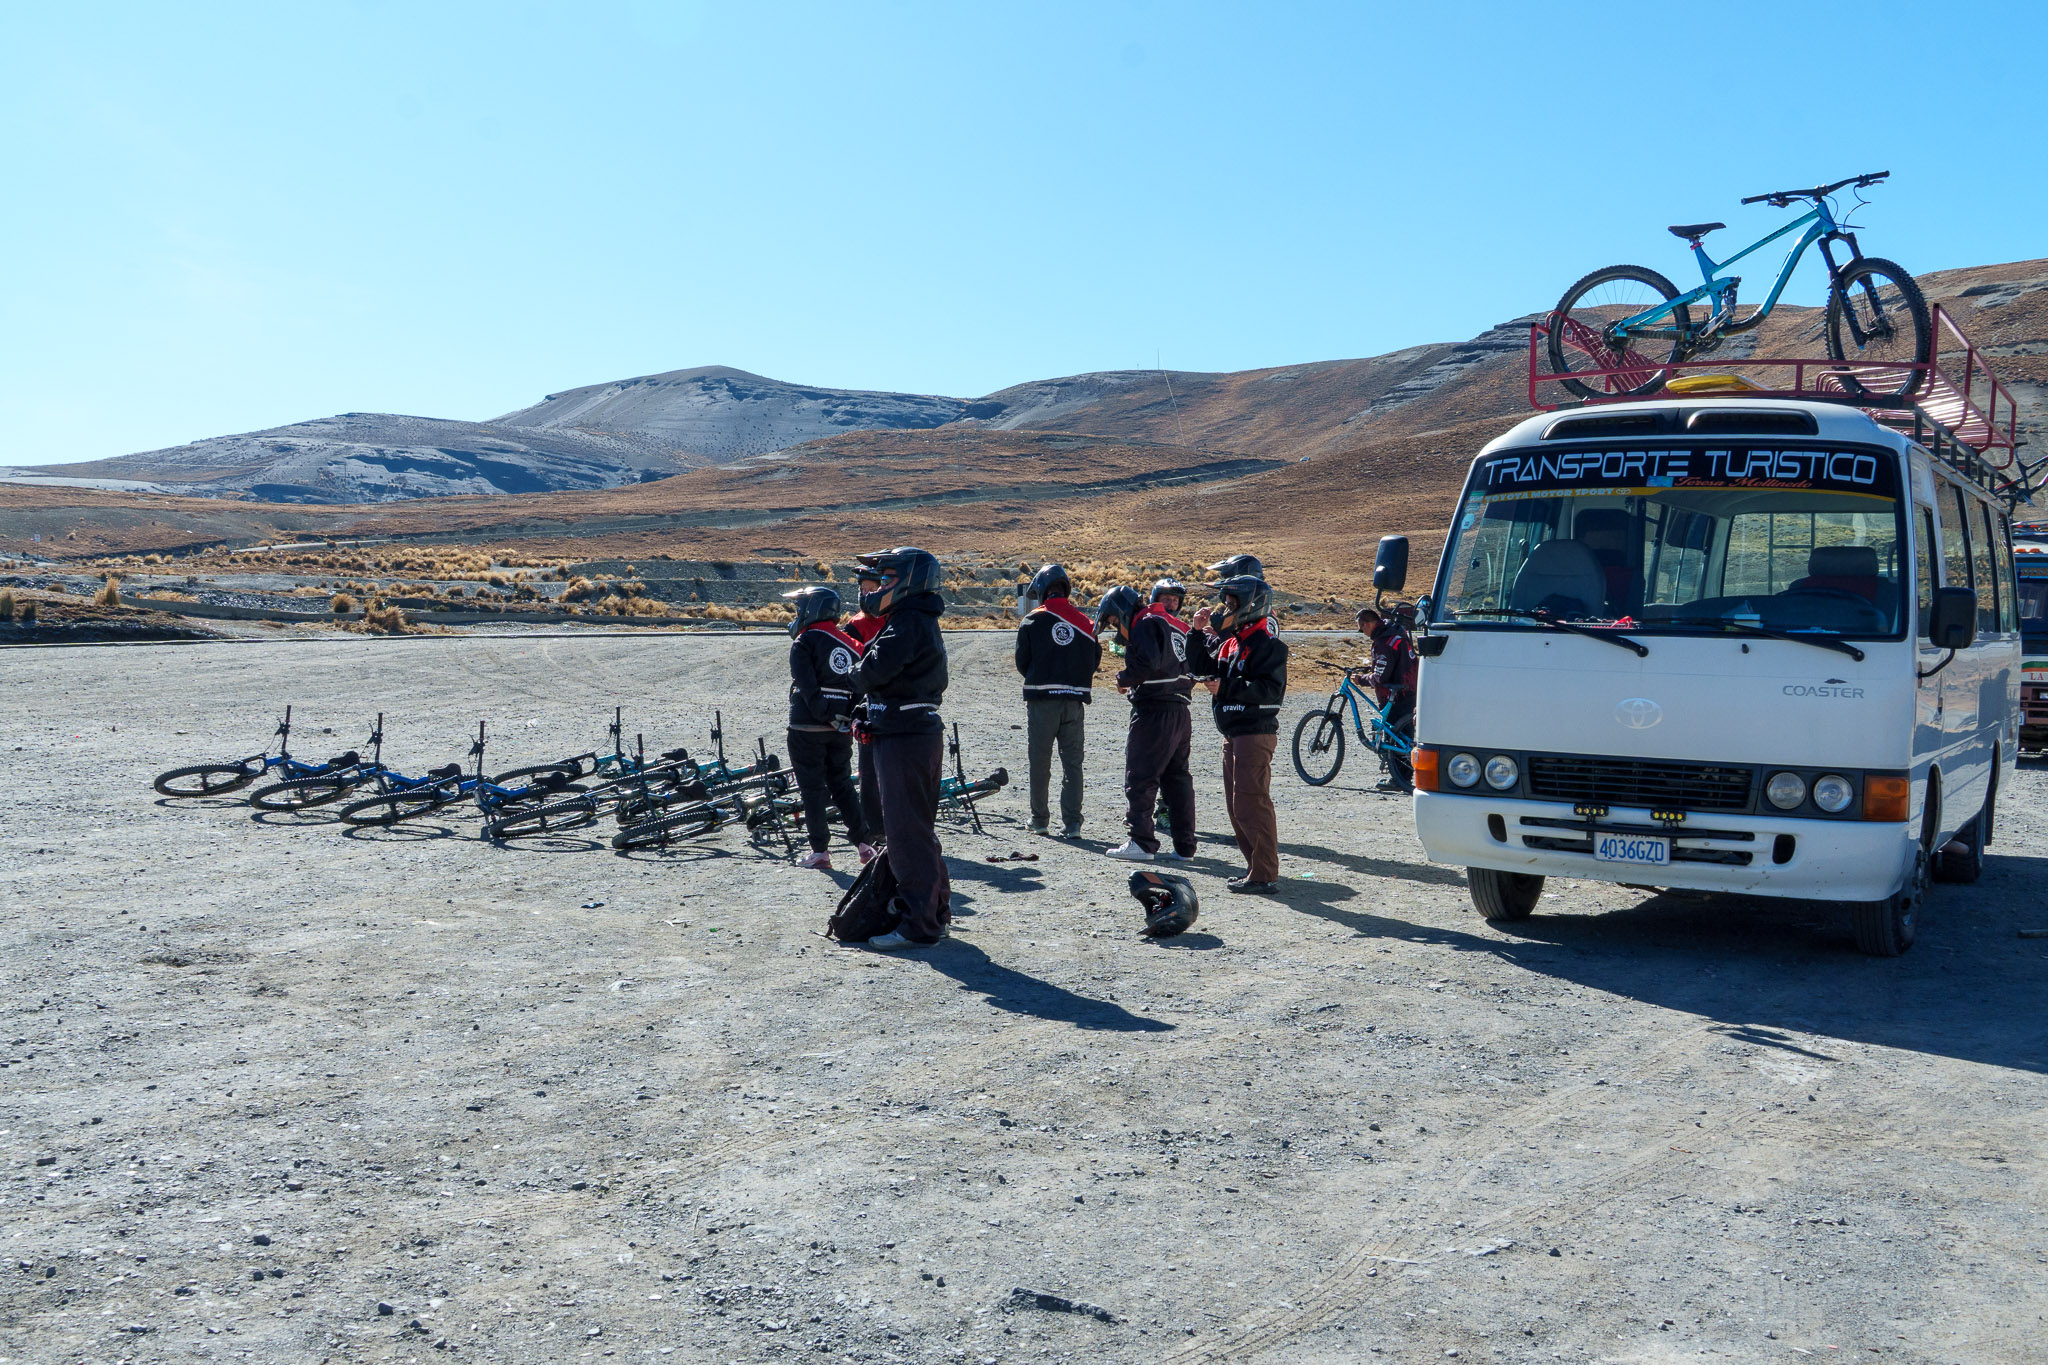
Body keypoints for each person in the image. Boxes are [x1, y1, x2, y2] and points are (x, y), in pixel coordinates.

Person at [849, 546, 951, 950]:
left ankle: (918, 925)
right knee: (917, 832)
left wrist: (860, 676)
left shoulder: (907, 621)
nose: (879, 588)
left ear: (908, 582)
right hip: (911, 732)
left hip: (906, 736)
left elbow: (870, 672)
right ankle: (934, 914)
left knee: (907, 835)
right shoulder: (911, 619)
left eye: (887, 580)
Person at [1188, 573, 1287, 893]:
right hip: (1233, 734)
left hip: (1253, 733)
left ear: (1249, 605)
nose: (1224, 607)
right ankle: (1255, 869)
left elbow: (1271, 691)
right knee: (1236, 806)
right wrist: (1195, 632)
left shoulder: (1267, 645)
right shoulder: (1232, 642)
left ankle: (1264, 874)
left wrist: (1228, 686)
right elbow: (1201, 668)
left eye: (1231, 602)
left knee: (1250, 802)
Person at [780, 585, 877, 871]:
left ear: (812, 610)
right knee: (843, 785)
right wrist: (842, 718)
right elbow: (861, 687)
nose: (798, 614)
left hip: (806, 727)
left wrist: (822, 712)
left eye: (800, 608)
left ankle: (820, 851)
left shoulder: (805, 641)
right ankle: (864, 844)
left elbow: (807, 685)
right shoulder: (853, 645)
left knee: (811, 789)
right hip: (840, 730)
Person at [1101, 581, 1197, 863]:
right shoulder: (1176, 625)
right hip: (1181, 708)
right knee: (1177, 780)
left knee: (1141, 776)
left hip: (1154, 710)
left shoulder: (1145, 622)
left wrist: (1123, 679)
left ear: (1121, 612)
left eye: (1113, 620)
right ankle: (1184, 847)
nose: (1115, 627)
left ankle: (1141, 842)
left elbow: (1148, 663)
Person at [1013, 563, 1102, 838]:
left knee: (1040, 762)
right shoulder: (1087, 624)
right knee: (1072, 764)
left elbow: (1021, 662)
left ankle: (1040, 820)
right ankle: (1072, 823)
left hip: (1042, 700)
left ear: (1041, 591)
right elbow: (1095, 661)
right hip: (1074, 702)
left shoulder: (1031, 620)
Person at [844, 573, 889, 840]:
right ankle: (875, 828)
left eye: (871, 589)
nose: (865, 594)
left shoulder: (894, 621)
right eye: (862, 589)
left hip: (893, 704)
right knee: (869, 772)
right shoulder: (856, 626)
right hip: (867, 706)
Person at [1356, 605, 1418, 793]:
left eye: (1362, 628)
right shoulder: (1397, 633)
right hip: (1410, 690)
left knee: (1396, 739)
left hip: (1396, 694)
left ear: (1368, 624)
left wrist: (1363, 679)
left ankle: (1399, 779)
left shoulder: (1383, 642)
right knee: (1405, 736)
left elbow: (1381, 677)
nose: (1362, 632)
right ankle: (1403, 777)